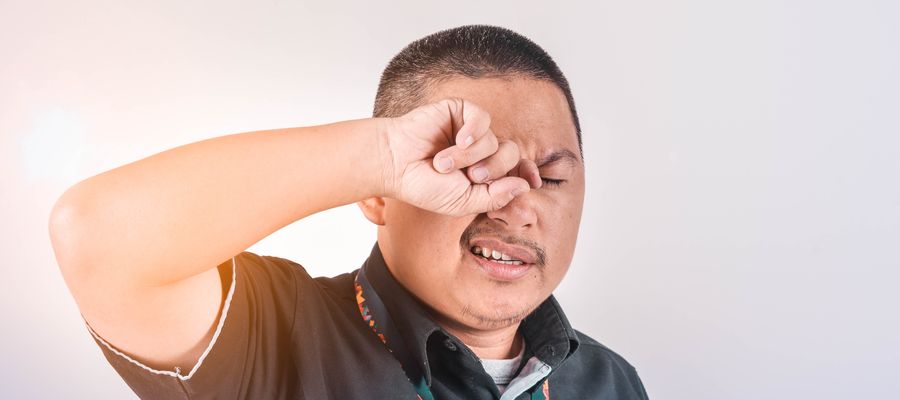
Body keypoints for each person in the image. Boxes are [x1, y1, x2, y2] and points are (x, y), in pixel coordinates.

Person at [49, 24, 649, 399]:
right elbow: (97, 234)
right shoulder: (276, 335)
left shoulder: (609, 381)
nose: (516, 207)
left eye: (551, 177)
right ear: (377, 192)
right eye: (473, 170)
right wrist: (381, 151)